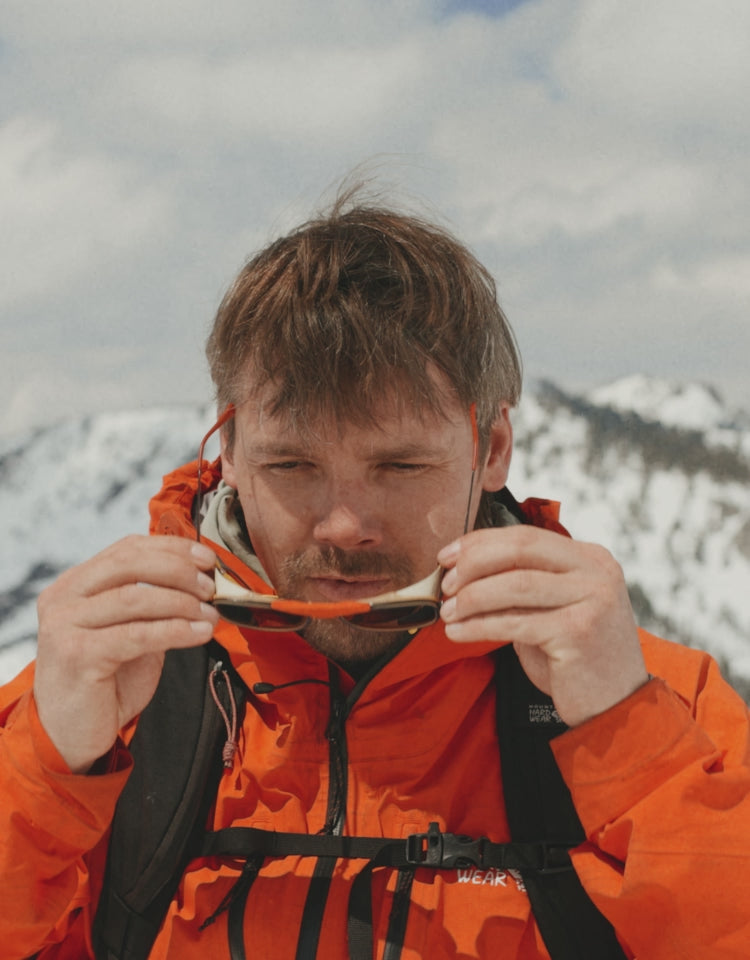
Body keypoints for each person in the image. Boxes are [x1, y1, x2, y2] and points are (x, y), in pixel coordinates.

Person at [1, 190, 748, 960]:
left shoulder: (658, 704)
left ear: (491, 448)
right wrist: (43, 770)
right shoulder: (113, 691)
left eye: (399, 466)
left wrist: (629, 743)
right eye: (292, 465)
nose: (343, 526)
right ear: (225, 448)